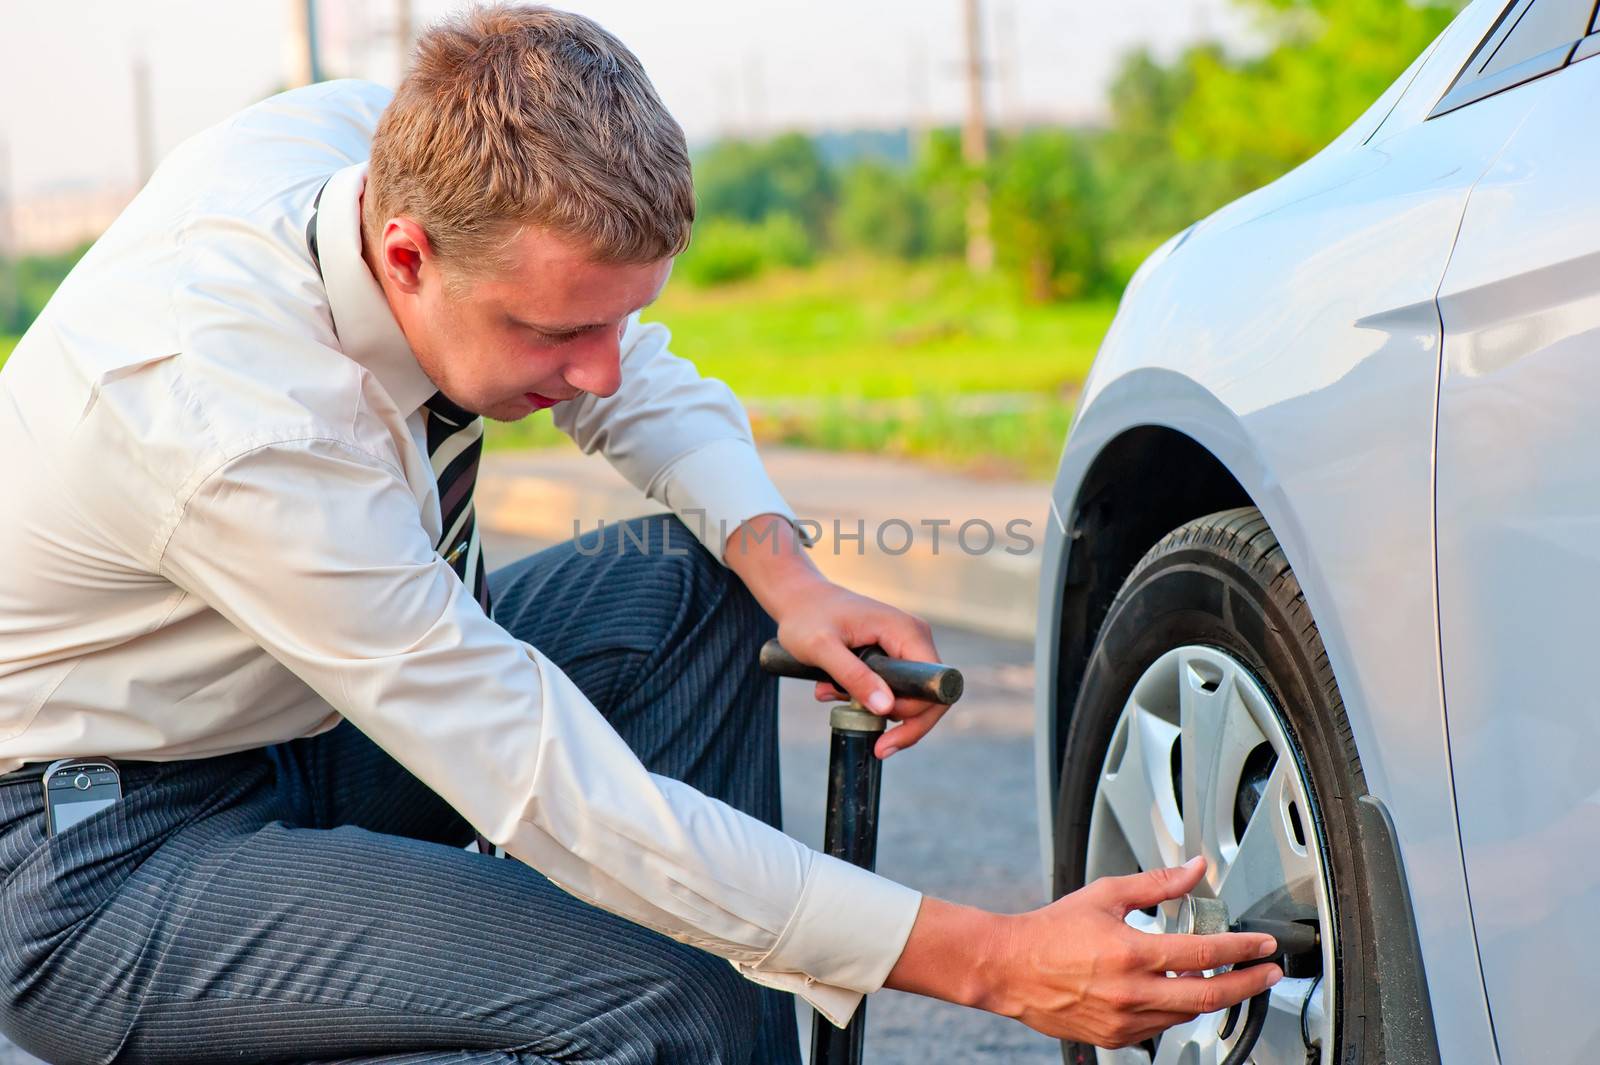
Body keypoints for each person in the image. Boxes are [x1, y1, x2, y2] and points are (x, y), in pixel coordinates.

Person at [0, 6, 1281, 1062]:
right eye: (557, 336)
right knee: (659, 999)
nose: (600, 374)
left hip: (298, 728)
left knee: (688, 582)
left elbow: (646, 380)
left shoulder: (373, 142)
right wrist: (990, 960)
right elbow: (544, 778)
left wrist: (789, 573)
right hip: (101, 859)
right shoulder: (234, 421)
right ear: (405, 255)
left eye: (616, 319)